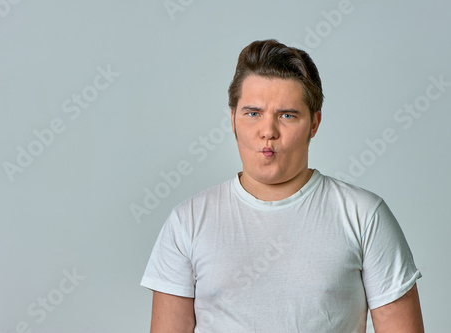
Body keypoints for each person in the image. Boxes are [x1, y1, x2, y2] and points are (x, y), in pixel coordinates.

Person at [140, 39, 424, 332]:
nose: (268, 131)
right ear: (233, 120)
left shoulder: (364, 216)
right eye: (253, 113)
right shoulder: (188, 221)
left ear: (314, 124)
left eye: (287, 115)